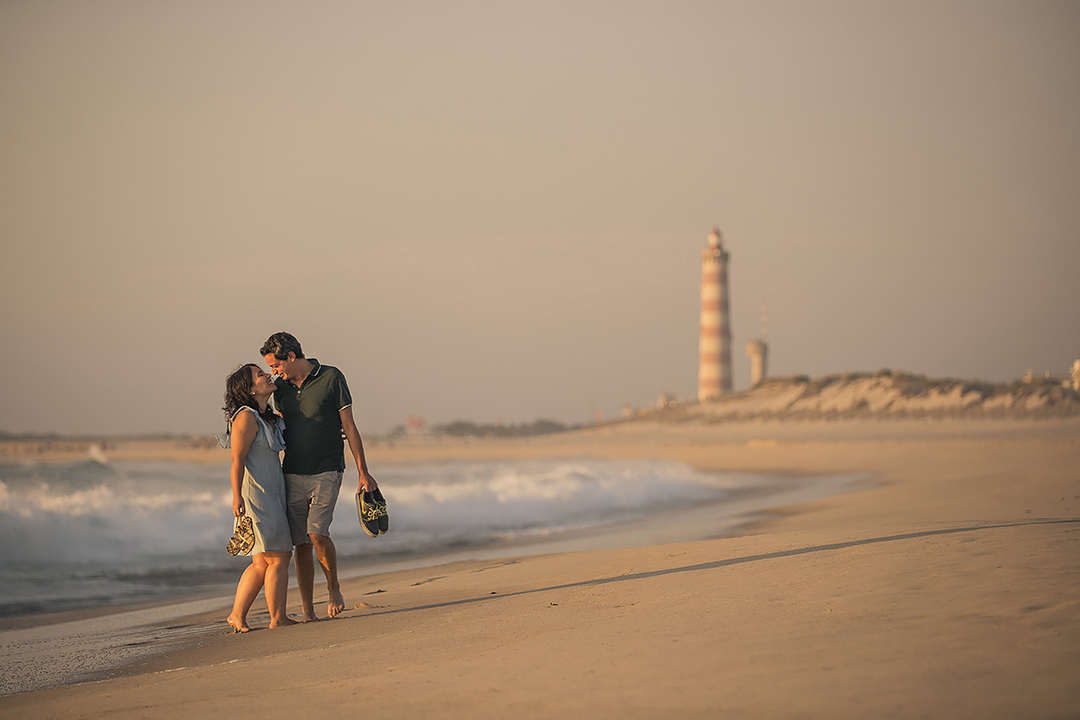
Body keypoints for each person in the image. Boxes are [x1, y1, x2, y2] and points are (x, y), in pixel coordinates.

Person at [261, 332, 378, 620]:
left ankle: (333, 587)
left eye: (275, 365)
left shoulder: (331, 377)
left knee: (316, 533)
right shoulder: (280, 389)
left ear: (290, 357)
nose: (273, 372)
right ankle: (308, 609)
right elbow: (280, 427)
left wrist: (364, 471)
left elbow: (349, 426)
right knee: (300, 542)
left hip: (328, 469)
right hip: (291, 471)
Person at [222, 363, 297, 632]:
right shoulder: (246, 417)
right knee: (278, 557)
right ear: (251, 388)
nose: (267, 374)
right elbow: (237, 460)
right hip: (256, 496)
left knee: (262, 561)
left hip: (272, 492)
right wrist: (236, 497)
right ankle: (278, 617)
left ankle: (236, 615)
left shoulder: (267, 417)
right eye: (260, 375)